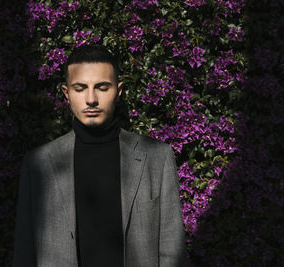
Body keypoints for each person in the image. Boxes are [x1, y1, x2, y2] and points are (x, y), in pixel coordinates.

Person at [12, 44, 188, 267]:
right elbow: (24, 252)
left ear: (119, 91)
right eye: (80, 88)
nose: (91, 99)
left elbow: (173, 251)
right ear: (66, 93)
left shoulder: (156, 158)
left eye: (102, 87)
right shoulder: (38, 163)